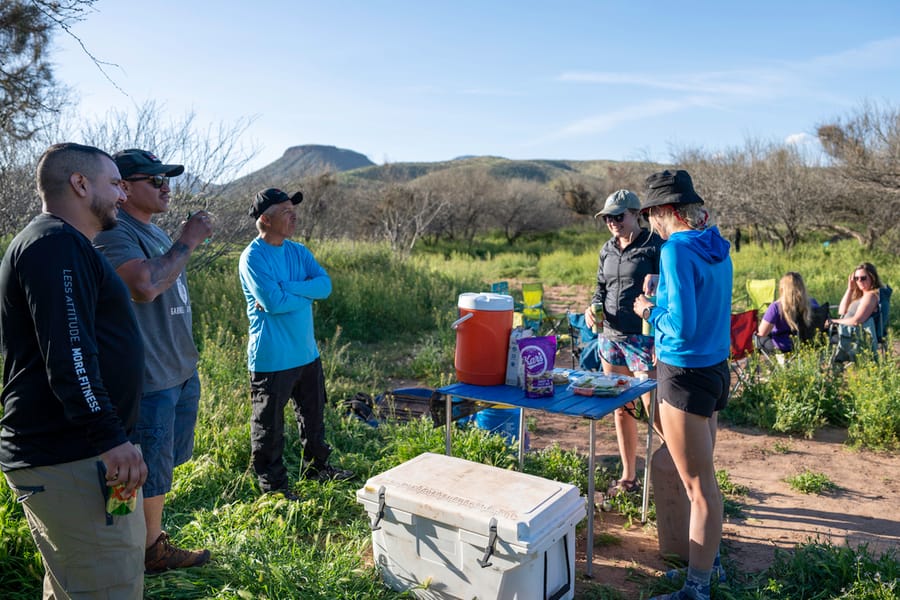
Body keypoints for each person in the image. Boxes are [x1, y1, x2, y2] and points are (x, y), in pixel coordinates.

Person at [0, 143, 147, 598]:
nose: (123, 195)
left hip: (88, 453)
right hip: (75, 455)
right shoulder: (55, 246)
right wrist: (109, 437)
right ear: (80, 184)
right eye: (114, 184)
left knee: (80, 582)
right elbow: (69, 355)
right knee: (107, 585)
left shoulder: (65, 245)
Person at [93, 148, 211, 574]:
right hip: (146, 377)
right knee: (135, 469)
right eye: (154, 179)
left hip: (177, 370)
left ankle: (145, 541)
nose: (166, 186)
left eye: (167, 179)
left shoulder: (155, 231)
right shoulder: (113, 232)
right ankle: (128, 549)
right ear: (122, 188)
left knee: (159, 466)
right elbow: (144, 286)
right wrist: (190, 239)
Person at [632, 170, 732, 600]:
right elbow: (705, 307)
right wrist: (666, 297)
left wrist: (648, 309)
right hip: (714, 368)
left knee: (699, 486)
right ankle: (707, 568)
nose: (651, 222)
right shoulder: (716, 244)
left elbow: (682, 326)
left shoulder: (675, 250)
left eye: (651, 213)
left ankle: (697, 588)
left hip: (684, 371)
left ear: (666, 212)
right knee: (705, 480)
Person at [238, 188, 354, 500]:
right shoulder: (253, 257)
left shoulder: (298, 252)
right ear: (265, 219)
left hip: (306, 354)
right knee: (269, 429)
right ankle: (274, 490)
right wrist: (303, 293)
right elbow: (272, 303)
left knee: (314, 419)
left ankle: (318, 469)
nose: (294, 215)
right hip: (272, 358)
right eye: (285, 210)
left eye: (293, 209)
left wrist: (288, 288)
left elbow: (325, 286)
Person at [584, 189, 662, 497]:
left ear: (636, 215)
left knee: (653, 410)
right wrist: (593, 309)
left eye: (619, 216)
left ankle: (677, 475)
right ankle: (629, 479)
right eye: (607, 218)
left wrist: (659, 337)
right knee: (621, 408)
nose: (613, 223)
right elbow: (601, 289)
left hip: (643, 340)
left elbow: (668, 293)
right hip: (610, 338)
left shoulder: (656, 246)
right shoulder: (607, 249)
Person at [755, 272, 820, 354]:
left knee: (758, 338)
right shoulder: (812, 303)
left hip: (783, 346)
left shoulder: (776, 307)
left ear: (782, 289)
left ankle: (760, 364)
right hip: (808, 343)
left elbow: (762, 333)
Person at [826, 262, 882, 354]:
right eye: (856, 278)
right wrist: (850, 289)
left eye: (863, 278)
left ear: (872, 278)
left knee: (814, 334)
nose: (859, 281)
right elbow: (842, 311)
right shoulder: (861, 295)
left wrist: (834, 321)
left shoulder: (870, 296)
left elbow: (857, 321)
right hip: (845, 330)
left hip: (852, 334)